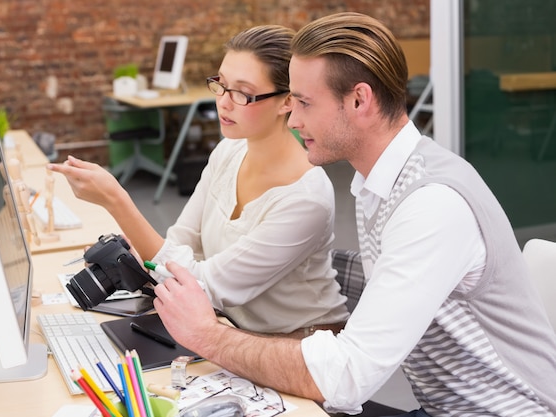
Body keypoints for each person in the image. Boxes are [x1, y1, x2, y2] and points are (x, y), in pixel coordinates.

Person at [153, 12, 556, 416]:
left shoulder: (432, 204)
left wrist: (209, 336)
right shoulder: (379, 183)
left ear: (360, 100)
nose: (293, 119)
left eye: (305, 103)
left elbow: (346, 379)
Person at [48, 25, 349, 335]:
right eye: (221, 84)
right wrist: (144, 257)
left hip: (298, 344)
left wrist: (117, 201)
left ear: (287, 101)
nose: (224, 102)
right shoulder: (228, 151)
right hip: (229, 327)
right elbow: (182, 240)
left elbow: (204, 286)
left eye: (242, 93)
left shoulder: (305, 199)